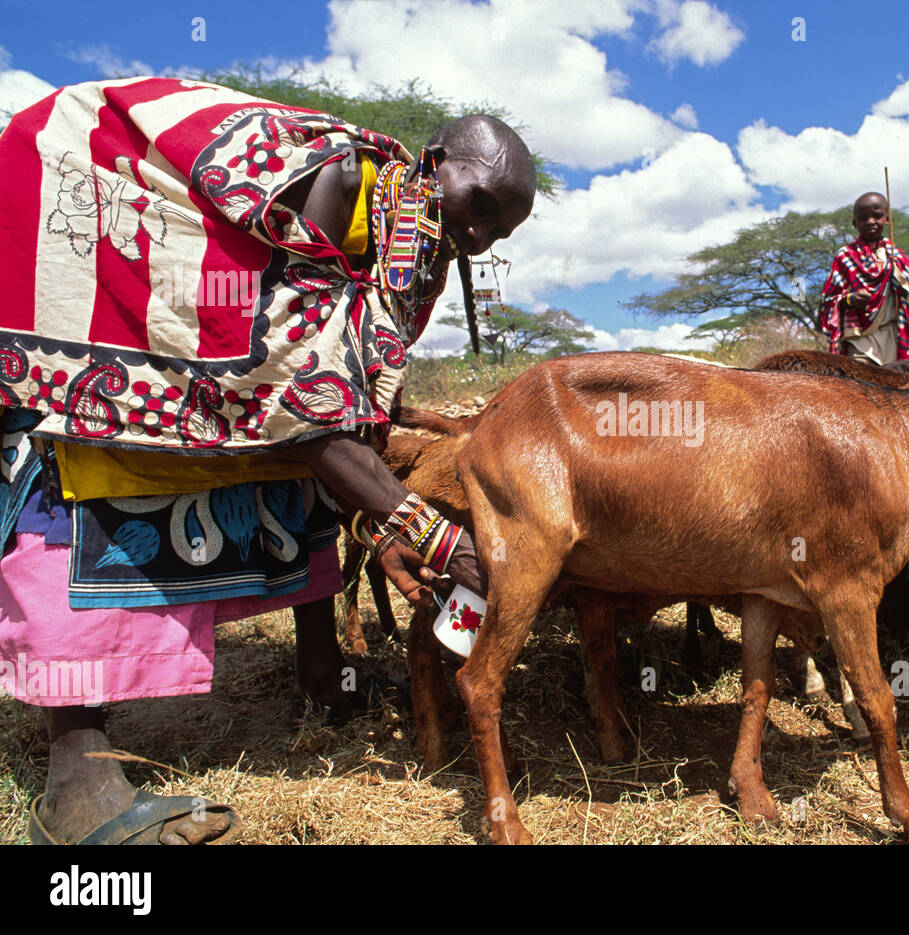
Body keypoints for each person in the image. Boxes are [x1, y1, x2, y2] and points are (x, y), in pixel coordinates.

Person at [0, 77, 533, 843]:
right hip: (116, 287)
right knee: (99, 498)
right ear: (436, 157)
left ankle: (323, 676)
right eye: (479, 204)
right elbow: (300, 392)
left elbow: (347, 397)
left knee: (295, 490)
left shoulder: (410, 245)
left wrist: (380, 518)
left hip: (257, 369)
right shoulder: (338, 178)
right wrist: (440, 542)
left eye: (498, 232)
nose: (479, 236)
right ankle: (78, 787)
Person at [818, 192, 909, 364]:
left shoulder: (897, 257)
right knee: (862, 387)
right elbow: (828, 300)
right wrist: (849, 299)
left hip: (895, 334)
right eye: (863, 218)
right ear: (855, 223)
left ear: (887, 219)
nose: (870, 221)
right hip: (860, 338)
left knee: (897, 387)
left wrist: (900, 281)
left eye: (877, 216)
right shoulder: (846, 256)